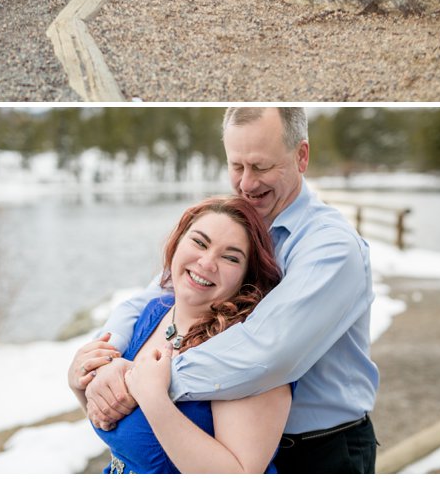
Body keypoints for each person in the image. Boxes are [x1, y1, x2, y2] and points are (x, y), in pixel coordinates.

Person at [83, 106, 378, 474]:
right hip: (231, 433)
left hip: (317, 449)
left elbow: (268, 352)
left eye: (262, 167)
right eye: (236, 167)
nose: (247, 183)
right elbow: (155, 297)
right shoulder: (235, 223)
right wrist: (102, 358)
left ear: (301, 156)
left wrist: (143, 381)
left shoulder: (331, 248)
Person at [69, 196, 291, 473]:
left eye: (231, 257)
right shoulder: (152, 314)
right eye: (199, 242)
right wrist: (81, 385)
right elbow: (118, 430)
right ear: (177, 243)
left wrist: (154, 398)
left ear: (247, 276)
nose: (207, 262)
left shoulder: (248, 349)